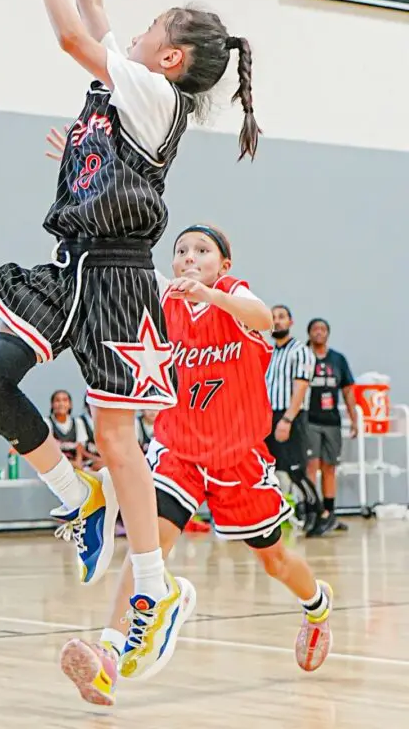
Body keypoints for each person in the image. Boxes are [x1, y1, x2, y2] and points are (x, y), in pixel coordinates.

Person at [0, 0, 261, 681]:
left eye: (150, 28)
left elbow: (73, 30)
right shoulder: (128, 88)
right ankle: (76, 499)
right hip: (75, 265)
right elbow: (97, 14)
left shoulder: (153, 95)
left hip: (123, 279)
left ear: (168, 56)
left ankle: (156, 591)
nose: (129, 31)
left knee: (119, 437)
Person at [60, 226, 333, 706]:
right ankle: (107, 653)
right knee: (148, 548)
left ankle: (317, 605)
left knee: (273, 560)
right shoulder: (162, 306)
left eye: (202, 251)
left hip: (238, 459)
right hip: (176, 452)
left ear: (223, 264)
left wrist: (210, 293)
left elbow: (263, 317)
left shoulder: (232, 296)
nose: (189, 257)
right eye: (181, 250)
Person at [265, 305, 321, 533]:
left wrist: (287, 420)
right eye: (273, 318)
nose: (277, 322)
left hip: (290, 416)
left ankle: (316, 513)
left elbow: (300, 389)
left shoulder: (300, 351)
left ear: (291, 322)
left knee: (296, 470)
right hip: (270, 416)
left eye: (281, 318)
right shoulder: (272, 352)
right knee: (272, 469)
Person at [306, 318, 357, 535]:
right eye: (315, 329)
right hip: (309, 421)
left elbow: (347, 391)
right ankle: (311, 512)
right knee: (311, 467)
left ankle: (329, 513)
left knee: (329, 468)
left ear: (328, 333)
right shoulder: (303, 357)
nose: (319, 332)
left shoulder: (338, 359)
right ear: (309, 333)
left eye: (323, 329)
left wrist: (354, 419)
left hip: (332, 422)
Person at [45, 390, 91, 468]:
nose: (61, 403)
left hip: (76, 464)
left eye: (65, 400)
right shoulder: (47, 422)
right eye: (57, 400)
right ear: (52, 404)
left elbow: (80, 449)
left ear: (70, 405)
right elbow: (48, 449)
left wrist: (78, 463)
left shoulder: (77, 422)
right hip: (55, 464)